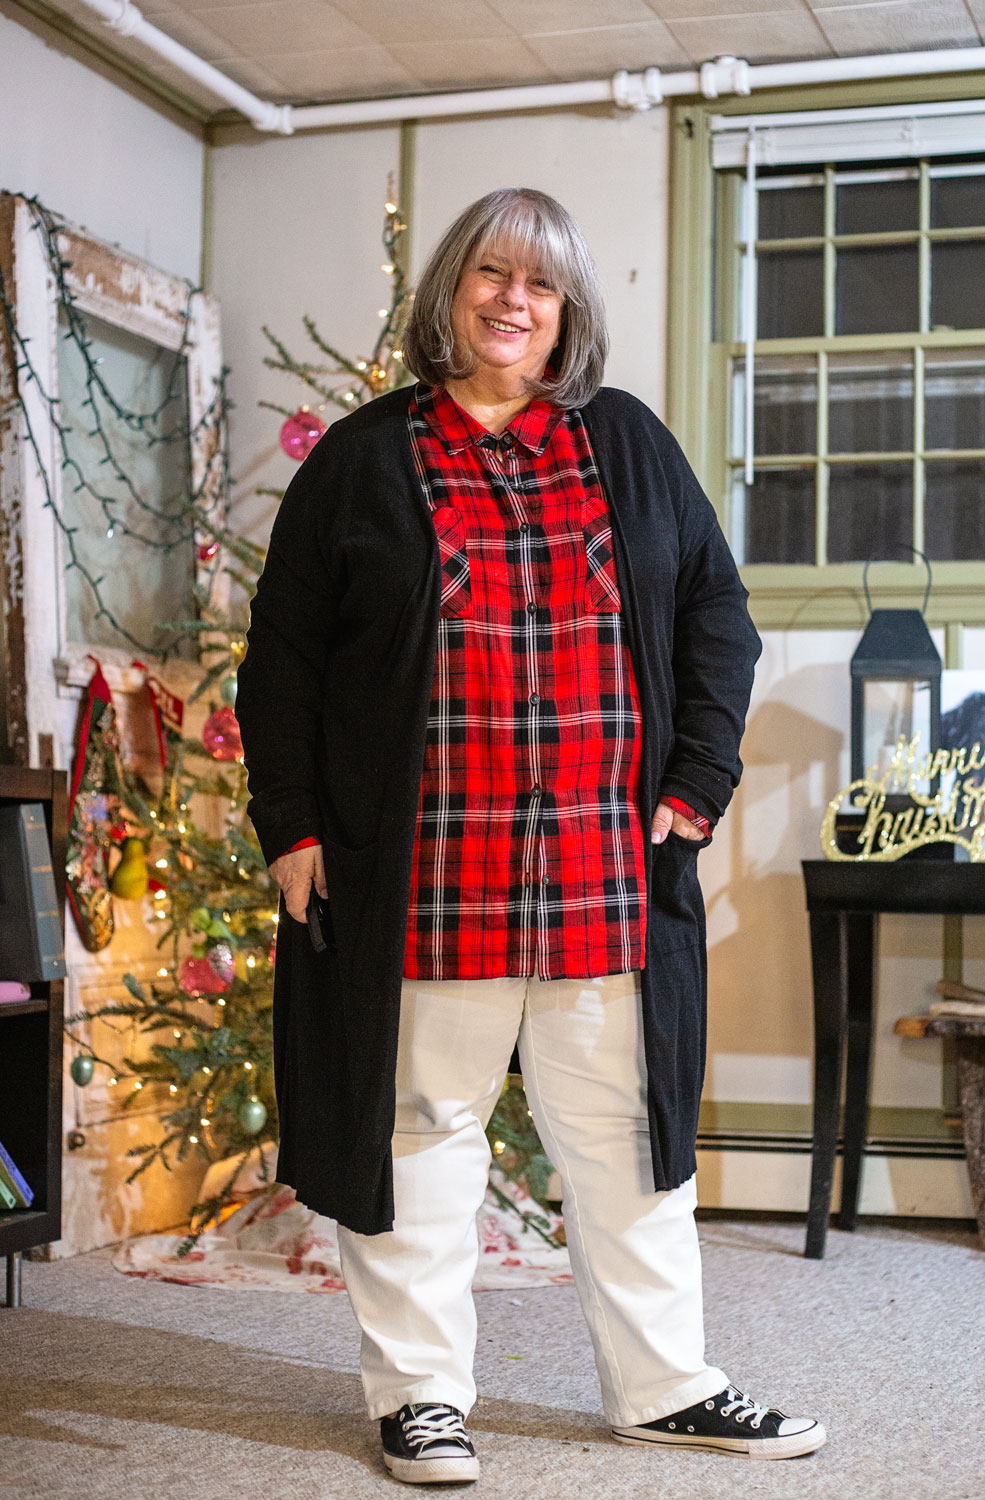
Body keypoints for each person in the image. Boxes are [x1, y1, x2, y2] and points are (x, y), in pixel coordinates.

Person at [236, 187, 825, 1484]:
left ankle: (666, 1388)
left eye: (540, 285)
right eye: (490, 275)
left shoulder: (620, 442)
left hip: (603, 883)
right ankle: (421, 1400)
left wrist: (696, 778)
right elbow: (280, 658)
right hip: (424, 876)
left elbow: (714, 617)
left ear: (567, 313)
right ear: (449, 293)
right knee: (421, 1138)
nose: (513, 300)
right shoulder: (364, 457)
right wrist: (290, 824)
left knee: (626, 1144)